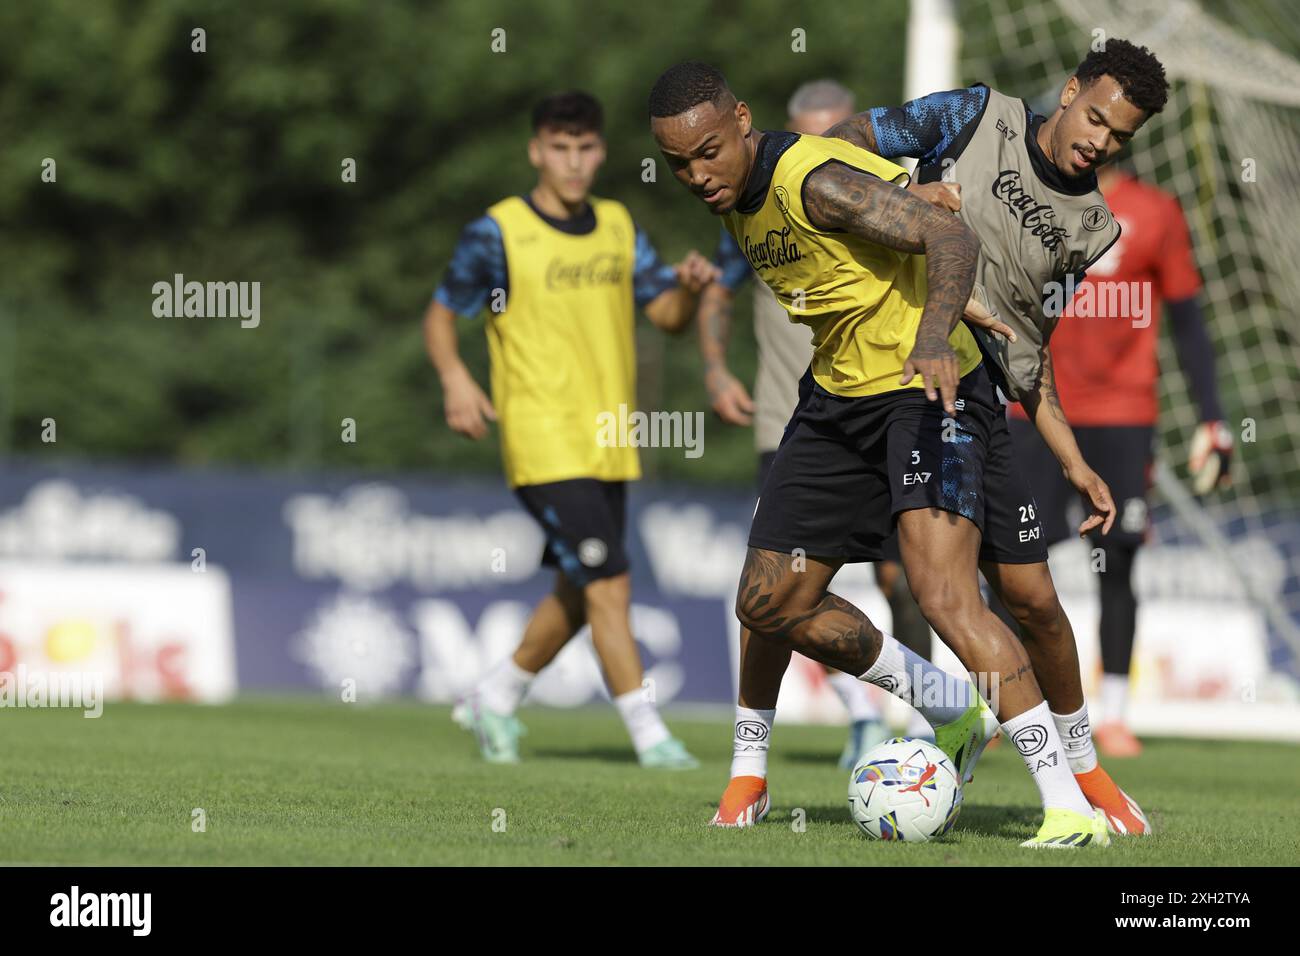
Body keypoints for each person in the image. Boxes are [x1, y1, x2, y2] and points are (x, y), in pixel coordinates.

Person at [650, 61, 1109, 847]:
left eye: (709, 152)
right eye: (679, 164)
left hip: (926, 389)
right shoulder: (735, 195)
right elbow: (892, 237)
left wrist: (935, 333)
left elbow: (949, 235)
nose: (697, 174)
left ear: (743, 121)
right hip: (836, 398)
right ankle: (926, 710)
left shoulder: (812, 180)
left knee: (946, 597)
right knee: (767, 602)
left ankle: (1070, 808)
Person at [803, 38, 1177, 835]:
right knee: (936, 592)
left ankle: (1086, 771)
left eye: (1120, 137)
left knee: (1035, 599)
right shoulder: (973, 114)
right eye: (1096, 119)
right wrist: (904, 194)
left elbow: (1027, 351)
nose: (1100, 142)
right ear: (1071, 90)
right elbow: (831, 150)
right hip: (910, 380)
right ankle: (1060, 797)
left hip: (986, 395)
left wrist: (1077, 462)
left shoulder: (1093, 230)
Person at [426, 90, 717, 768]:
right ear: (536, 152)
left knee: (579, 588)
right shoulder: (498, 232)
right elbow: (442, 312)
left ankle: (494, 698)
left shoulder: (618, 225)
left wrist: (693, 289)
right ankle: (652, 738)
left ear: (601, 152)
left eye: (585, 148)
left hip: (610, 440)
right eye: (560, 148)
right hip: (543, 436)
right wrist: (455, 378)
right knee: (610, 583)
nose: (574, 161)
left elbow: (665, 314)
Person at [698, 79, 938, 769]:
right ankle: (855, 718)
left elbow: (939, 238)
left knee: (904, 580)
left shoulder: (845, 188)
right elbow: (716, 288)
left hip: (887, 402)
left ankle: (928, 717)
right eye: (810, 134)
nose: (825, 150)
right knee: (778, 589)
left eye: (839, 136)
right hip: (792, 419)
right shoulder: (751, 201)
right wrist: (716, 370)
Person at [1000, 160, 1232, 757]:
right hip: (1034, 411)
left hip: (1123, 417)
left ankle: (1115, 715)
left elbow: (1187, 320)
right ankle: (1000, 703)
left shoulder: (1156, 211)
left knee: (1119, 560)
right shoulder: (1027, 201)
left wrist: (1213, 416)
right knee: (1008, 561)